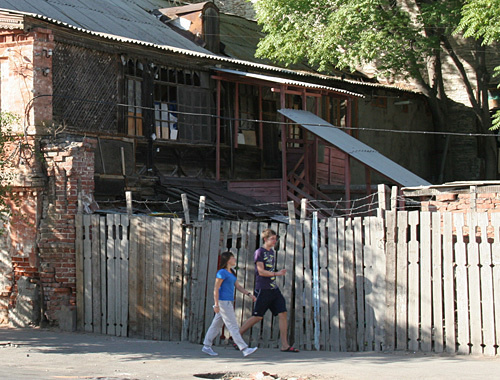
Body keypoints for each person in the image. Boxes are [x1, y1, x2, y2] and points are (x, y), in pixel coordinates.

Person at [238, 228, 299, 352]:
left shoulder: (271, 252)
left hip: (273, 289)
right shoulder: (259, 252)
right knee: (258, 316)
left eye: (275, 239)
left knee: (282, 313)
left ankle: (284, 345)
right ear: (265, 239)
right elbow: (260, 271)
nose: (274, 241)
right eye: (272, 239)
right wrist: (277, 274)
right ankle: (236, 336)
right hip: (263, 288)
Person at [202, 251, 258, 357]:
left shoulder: (231, 272)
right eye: (232, 258)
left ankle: (206, 346)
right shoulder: (221, 272)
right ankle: (244, 348)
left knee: (216, 325)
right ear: (227, 260)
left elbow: (238, 286)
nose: (234, 259)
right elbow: (216, 288)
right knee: (232, 326)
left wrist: (249, 294)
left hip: (228, 301)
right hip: (223, 302)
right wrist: (216, 304)